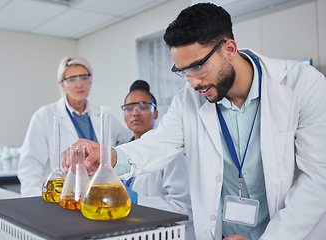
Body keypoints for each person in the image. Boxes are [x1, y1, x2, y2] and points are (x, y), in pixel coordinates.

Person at [63, 3, 326, 240]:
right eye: (183, 71)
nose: (192, 82)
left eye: (198, 67)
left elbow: (317, 178)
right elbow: (159, 143)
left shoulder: (302, 85)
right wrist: (109, 156)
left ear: (229, 49)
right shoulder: (188, 99)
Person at [18, 56, 131, 197]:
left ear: (91, 80)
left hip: (102, 196)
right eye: (71, 79)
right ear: (62, 85)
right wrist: (35, 202)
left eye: (84, 77)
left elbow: (127, 146)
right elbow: (30, 167)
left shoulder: (103, 115)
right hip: (64, 197)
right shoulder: (45, 115)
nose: (79, 84)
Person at [121, 80, 195, 240]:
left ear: (155, 112)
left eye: (143, 107)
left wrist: (136, 200)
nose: (135, 113)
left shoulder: (170, 153)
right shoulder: (121, 151)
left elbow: (183, 208)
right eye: (129, 108)